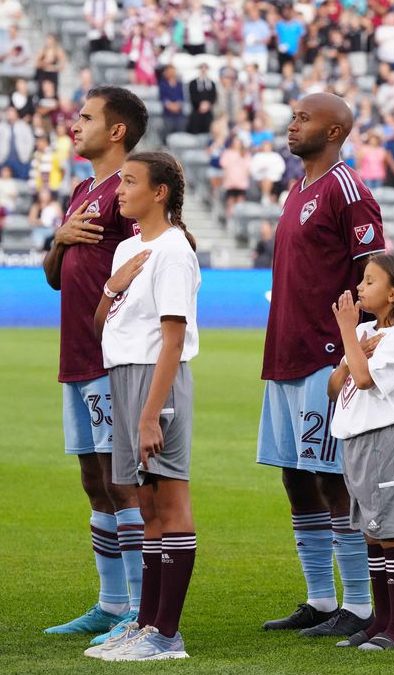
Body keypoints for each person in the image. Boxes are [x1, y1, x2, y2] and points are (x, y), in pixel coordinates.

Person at [257, 93, 387, 638]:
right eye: (293, 116)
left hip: (325, 356)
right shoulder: (297, 190)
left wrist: (357, 348)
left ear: (334, 132)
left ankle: (357, 605)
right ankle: (319, 596)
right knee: (296, 475)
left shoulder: (349, 190)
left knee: (334, 478)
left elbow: (375, 276)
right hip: (284, 353)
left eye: (304, 118)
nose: (292, 125)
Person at [42, 86, 149, 644]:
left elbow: (149, 262)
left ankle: (137, 608)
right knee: (93, 478)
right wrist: (57, 241)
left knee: (122, 480)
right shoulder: (84, 189)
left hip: (113, 359)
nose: (73, 124)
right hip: (76, 357)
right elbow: (55, 274)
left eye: (86, 117)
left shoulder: (132, 189)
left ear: (117, 131)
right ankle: (110, 604)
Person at [88, 151, 201, 661]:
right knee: (148, 506)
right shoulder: (130, 250)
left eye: (130, 182)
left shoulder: (174, 251)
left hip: (157, 382)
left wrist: (151, 413)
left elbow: (172, 341)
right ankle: (149, 624)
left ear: (160, 192)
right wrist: (114, 285)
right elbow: (102, 329)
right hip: (125, 376)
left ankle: (166, 635)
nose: (119, 190)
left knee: (170, 503)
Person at [327, 255, 394, 651]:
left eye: (370, 282)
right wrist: (354, 344)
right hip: (355, 441)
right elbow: (335, 386)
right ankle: (379, 622)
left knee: (391, 532)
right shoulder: (366, 331)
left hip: (386, 438)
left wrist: (350, 338)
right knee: (371, 533)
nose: (361, 287)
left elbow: (365, 379)